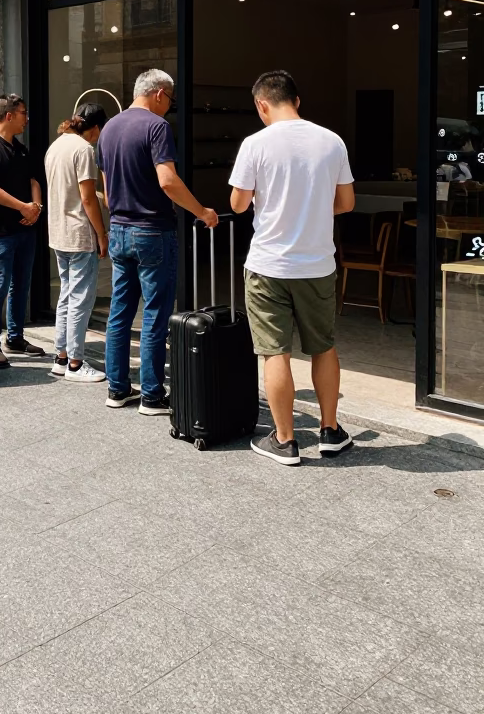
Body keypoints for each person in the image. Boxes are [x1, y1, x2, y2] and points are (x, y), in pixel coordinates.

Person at [229, 70, 356, 467]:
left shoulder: (255, 144)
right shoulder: (331, 141)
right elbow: (347, 203)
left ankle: (284, 441)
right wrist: (315, 208)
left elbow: (237, 203)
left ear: (261, 105)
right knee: (324, 347)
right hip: (317, 264)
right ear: (297, 101)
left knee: (274, 352)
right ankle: (330, 430)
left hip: (268, 264)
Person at [97, 69, 217, 414]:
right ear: (160, 94)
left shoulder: (109, 130)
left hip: (119, 228)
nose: (170, 108)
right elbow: (168, 181)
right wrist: (201, 211)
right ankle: (151, 395)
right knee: (155, 314)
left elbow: (106, 187)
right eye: (171, 100)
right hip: (152, 230)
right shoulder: (156, 127)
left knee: (119, 313)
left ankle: (118, 389)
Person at [0, 94, 46, 368]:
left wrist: (35, 206)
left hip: (25, 229)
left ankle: (15, 337)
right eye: (24, 113)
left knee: (21, 285)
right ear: (10, 115)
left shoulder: (21, 149)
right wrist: (22, 208)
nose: (27, 119)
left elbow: (33, 179)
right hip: (0, 231)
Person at [44, 103, 108, 383]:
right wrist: (102, 234)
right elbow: (86, 198)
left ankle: (61, 356)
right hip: (79, 233)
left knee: (66, 296)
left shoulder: (56, 146)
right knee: (81, 299)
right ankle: (75, 362)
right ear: (94, 128)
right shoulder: (84, 150)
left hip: (58, 231)